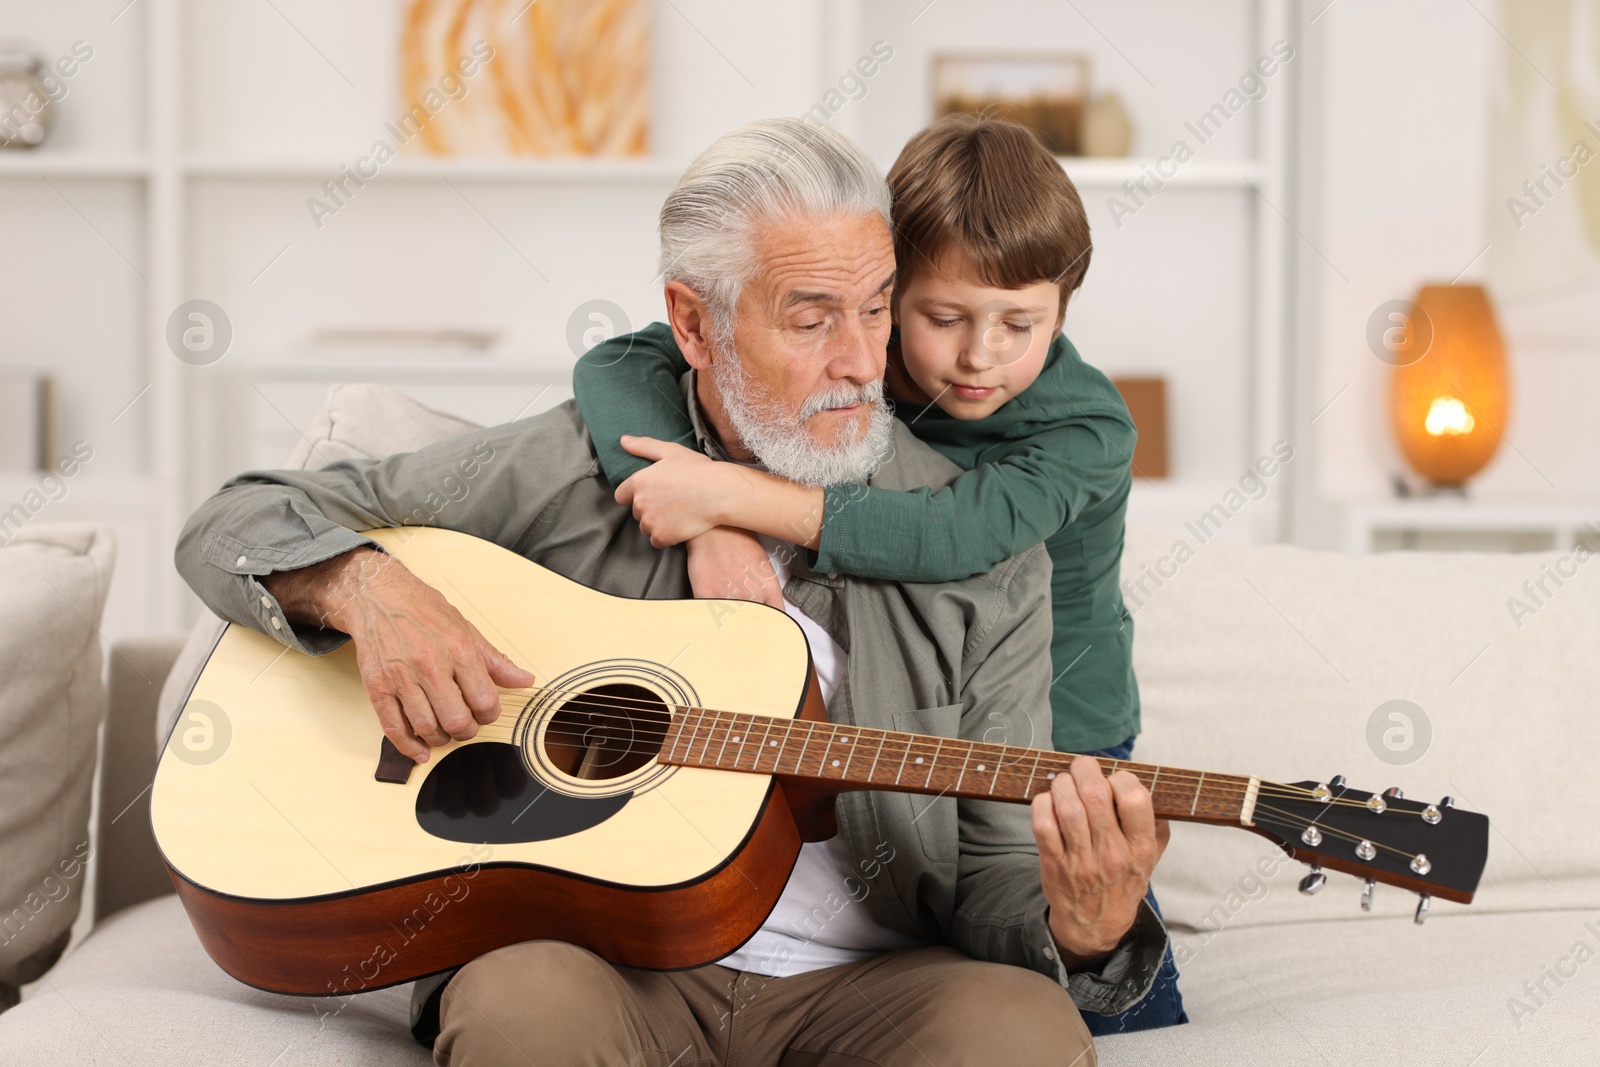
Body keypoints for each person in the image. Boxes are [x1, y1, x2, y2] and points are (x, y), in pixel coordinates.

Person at [175, 117, 1171, 1066]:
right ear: (694, 324)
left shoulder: (981, 553)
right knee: (519, 1011)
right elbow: (236, 518)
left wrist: (1081, 930)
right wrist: (370, 589)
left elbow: (993, 873)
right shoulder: (568, 468)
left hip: (872, 981)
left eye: (875, 308)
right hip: (605, 962)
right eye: (811, 318)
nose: (863, 363)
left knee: (1021, 1029)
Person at [574, 114, 1186, 1031]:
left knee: (1104, 988)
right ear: (895, 290)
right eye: (942, 317)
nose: (981, 355)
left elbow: (950, 537)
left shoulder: (1087, 430)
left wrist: (729, 499)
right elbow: (618, 364)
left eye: (1022, 324)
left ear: (1064, 310)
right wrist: (690, 519)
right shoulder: (867, 353)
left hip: (1071, 722)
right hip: (923, 706)